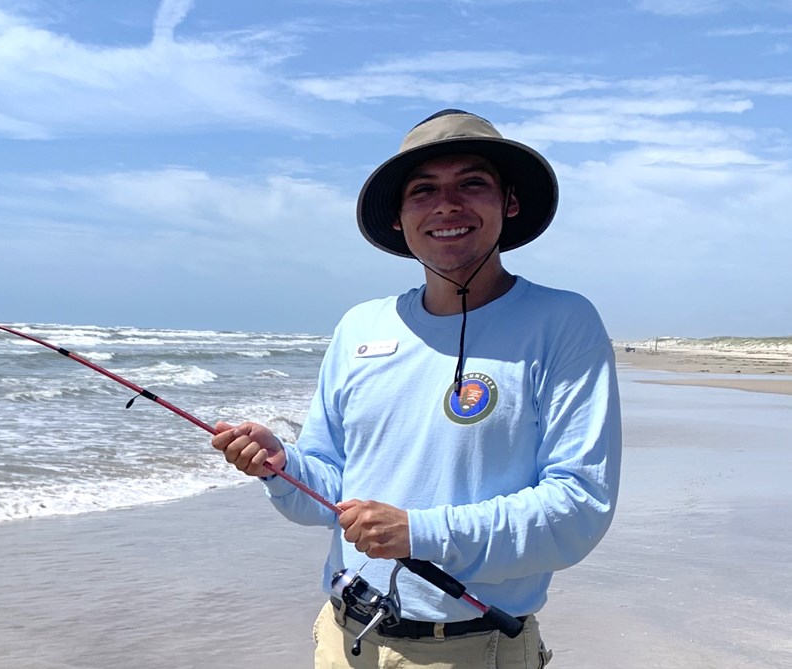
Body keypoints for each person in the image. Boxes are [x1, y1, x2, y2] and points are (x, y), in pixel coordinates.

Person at [211, 109, 622, 668]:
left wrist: (420, 532)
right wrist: (280, 465)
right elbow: (331, 494)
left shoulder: (562, 322)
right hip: (343, 636)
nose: (447, 205)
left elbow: (578, 509)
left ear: (510, 202)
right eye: (423, 190)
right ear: (400, 220)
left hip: (475, 648)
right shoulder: (360, 325)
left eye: (471, 183)